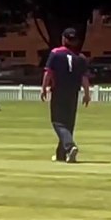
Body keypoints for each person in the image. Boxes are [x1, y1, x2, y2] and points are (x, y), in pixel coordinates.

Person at [42, 27, 91, 163]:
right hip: (73, 93)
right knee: (68, 124)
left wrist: (44, 88)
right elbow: (84, 78)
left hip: (59, 91)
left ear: (63, 39)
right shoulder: (80, 58)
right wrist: (87, 94)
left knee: (58, 122)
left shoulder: (56, 53)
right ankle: (61, 154)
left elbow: (48, 72)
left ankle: (69, 147)